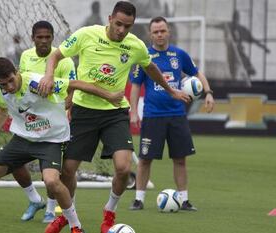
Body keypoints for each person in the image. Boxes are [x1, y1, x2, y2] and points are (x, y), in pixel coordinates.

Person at [0, 57, 124, 233]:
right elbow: (2, 109)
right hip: (21, 140)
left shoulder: (37, 83)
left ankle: (76, 227)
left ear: (17, 72)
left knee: (52, 182)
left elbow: (76, 84)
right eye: (4, 84)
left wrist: (110, 96)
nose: (9, 86)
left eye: (11, 80)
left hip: (51, 140)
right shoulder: (0, 90)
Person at [39, 2, 190, 233]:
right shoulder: (86, 34)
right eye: (118, 24)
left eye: (127, 26)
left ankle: (109, 212)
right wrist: (49, 76)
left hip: (115, 112)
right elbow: (56, 56)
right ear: (110, 19)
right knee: (67, 170)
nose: (121, 30)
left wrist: (171, 90)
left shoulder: (135, 46)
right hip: (84, 111)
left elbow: (150, 69)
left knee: (122, 167)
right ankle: (68, 216)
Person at [128, 16, 215, 211]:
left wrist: (208, 92)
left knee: (180, 158)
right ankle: (138, 199)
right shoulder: (144, 56)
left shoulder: (179, 54)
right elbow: (135, 86)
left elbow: (197, 73)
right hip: (152, 115)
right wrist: (133, 112)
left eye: (162, 31)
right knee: (145, 159)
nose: (159, 34)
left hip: (177, 115)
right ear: (150, 34)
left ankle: (184, 200)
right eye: (155, 32)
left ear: (168, 32)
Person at [3, 20, 77, 224]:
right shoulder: (26, 56)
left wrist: (66, 108)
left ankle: (52, 210)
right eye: (39, 37)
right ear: (32, 38)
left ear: (53, 38)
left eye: (47, 37)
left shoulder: (64, 60)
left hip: (54, 124)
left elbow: (71, 89)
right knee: (13, 163)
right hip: (30, 121)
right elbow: (21, 85)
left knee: (52, 174)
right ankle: (35, 199)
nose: (44, 41)